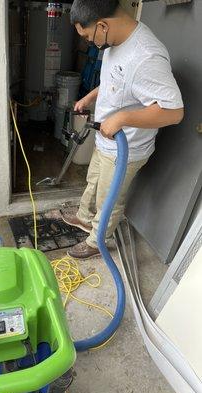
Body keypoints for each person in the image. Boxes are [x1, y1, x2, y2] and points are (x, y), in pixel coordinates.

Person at [62, 0, 184, 259]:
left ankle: (98, 241)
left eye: (87, 36)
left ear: (103, 25)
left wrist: (122, 118)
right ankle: (85, 218)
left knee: (110, 200)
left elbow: (174, 112)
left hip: (125, 148)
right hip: (105, 141)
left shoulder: (146, 57)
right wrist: (90, 98)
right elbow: (115, 80)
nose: (89, 43)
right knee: (94, 181)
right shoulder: (114, 41)